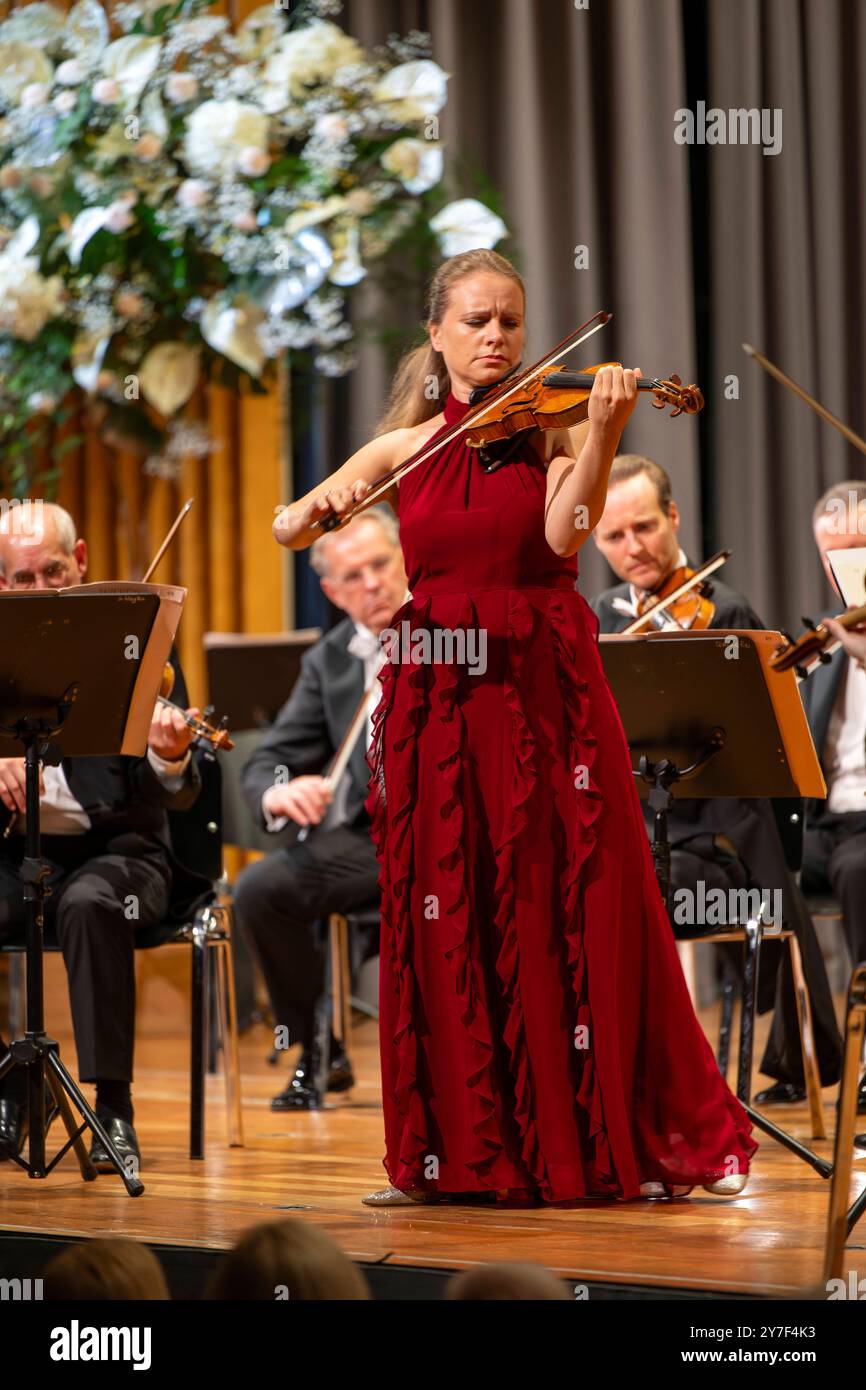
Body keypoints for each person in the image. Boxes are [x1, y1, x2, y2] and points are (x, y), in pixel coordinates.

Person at [274, 248, 757, 1205]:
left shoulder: (557, 427)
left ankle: (566, 1141)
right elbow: (292, 525)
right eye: (477, 323)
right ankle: (450, 1148)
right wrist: (314, 508)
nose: (497, 340)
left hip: (537, 686)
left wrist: (609, 431)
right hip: (433, 694)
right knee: (445, 904)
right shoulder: (406, 448)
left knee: (547, 896)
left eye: (510, 323)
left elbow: (561, 540)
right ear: (437, 335)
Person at [591, 456, 843, 1105]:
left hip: (725, 816)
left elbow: (753, 739)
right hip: (644, 811)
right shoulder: (601, 615)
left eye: (644, 527)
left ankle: (784, 1056)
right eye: (615, 536)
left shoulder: (722, 608)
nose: (634, 548)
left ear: (674, 518)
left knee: (734, 881)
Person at [0, 503, 201, 1172]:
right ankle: (10, 1089)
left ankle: (113, 1108)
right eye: (20, 580)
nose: (40, 591)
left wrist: (169, 754)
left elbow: (176, 786)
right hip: (20, 854)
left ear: (79, 559)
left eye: (52, 571)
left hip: (121, 858)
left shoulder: (132, 639)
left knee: (89, 904)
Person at [235, 506, 408, 1109]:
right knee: (259, 889)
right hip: (374, 843)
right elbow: (269, 759)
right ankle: (317, 1046)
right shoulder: (332, 659)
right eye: (352, 577)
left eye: (380, 565)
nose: (371, 585)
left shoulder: (453, 632)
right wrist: (279, 790)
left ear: (406, 555)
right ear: (332, 592)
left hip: (457, 831)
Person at [798, 481, 866, 1119]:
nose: (848, 572)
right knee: (761, 870)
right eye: (834, 558)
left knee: (858, 870)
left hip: (863, 835)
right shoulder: (827, 649)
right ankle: (803, 1054)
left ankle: (865, 1053)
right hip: (827, 822)